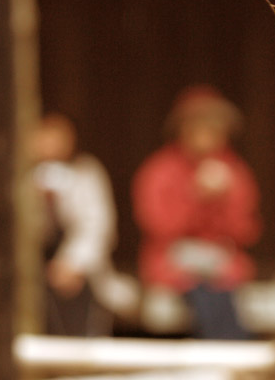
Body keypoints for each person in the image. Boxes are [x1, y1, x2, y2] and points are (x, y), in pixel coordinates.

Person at [132, 85, 262, 339]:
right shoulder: (160, 170)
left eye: (215, 127)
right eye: (200, 126)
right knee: (202, 291)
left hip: (221, 263)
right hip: (173, 260)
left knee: (219, 289)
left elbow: (247, 231)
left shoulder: (233, 170)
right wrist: (195, 197)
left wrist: (224, 198)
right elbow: (157, 226)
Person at [29, 112, 137, 336]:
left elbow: (98, 226)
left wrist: (72, 263)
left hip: (79, 272)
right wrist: (37, 201)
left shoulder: (86, 173)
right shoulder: (23, 177)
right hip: (35, 270)